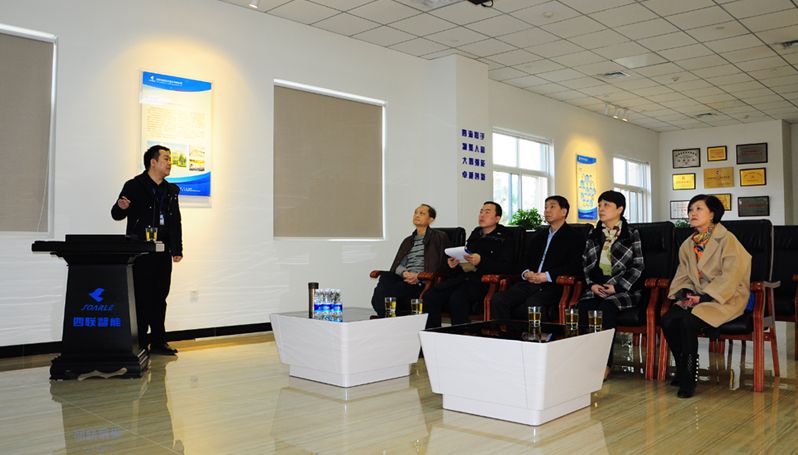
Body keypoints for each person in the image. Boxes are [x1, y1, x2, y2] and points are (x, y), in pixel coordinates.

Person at [662, 195, 751, 398]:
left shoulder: (727, 240)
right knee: (668, 320)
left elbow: (732, 275)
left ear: (712, 214)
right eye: (690, 209)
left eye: (698, 209)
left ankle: (688, 378)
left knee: (688, 322)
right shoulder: (687, 245)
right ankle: (683, 368)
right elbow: (683, 274)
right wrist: (685, 293)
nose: (692, 213)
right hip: (696, 297)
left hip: (725, 297)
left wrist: (704, 298)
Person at [112, 145, 183, 355]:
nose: (170, 163)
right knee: (141, 296)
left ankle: (159, 341)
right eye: (166, 159)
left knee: (160, 297)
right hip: (140, 252)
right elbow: (116, 214)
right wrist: (121, 207)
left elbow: (175, 222)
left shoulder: (171, 191)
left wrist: (177, 248)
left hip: (162, 251)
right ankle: (141, 342)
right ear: (153, 162)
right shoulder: (134, 186)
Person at [577, 190, 644, 380]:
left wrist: (617, 287)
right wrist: (592, 285)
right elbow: (584, 264)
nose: (601, 209)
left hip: (624, 290)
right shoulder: (594, 233)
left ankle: (604, 364)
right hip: (596, 288)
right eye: (599, 205)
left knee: (606, 309)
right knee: (582, 308)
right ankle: (582, 362)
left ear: (620, 209)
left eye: (606, 205)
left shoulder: (631, 233)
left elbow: (638, 265)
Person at [490, 196, 583, 322]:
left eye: (552, 207)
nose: (547, 210)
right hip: (529, 283)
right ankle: (507, 333)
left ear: (563, 211)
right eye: (545, 207)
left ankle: (538, 334)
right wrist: (526, 272)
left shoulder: (574, 237)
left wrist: (546, 276)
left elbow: (574, 266)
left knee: (533, 303)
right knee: (498, 299)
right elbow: (523, 260)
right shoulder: (539, 236)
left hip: (553, 285)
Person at [423, 201, 514, 328]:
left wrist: (481, 261)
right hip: (463, 278)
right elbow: (465, 260)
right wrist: (454, 264)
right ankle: (434, 335)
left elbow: (507, 266)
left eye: (487, 212)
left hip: (482, 283)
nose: (482, 215)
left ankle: (462, 335)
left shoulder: (506, 236)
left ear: (497, 218)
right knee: (430, 295)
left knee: (457, 298)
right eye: (481, 212)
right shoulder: (476, 233)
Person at [371, 204, 449, 317]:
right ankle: (386, 315)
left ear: (431, 219)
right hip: (406, 278)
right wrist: (404, 273)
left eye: (422, 213)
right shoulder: (408, 241)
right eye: (415, 212)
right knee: (385, 277)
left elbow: (442, 264)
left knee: (389, 292)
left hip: (422, 282)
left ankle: (385, 316)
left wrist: (418, 276)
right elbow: (398, 266)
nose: (417, 215)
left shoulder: (439, 237)